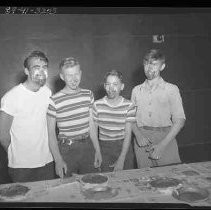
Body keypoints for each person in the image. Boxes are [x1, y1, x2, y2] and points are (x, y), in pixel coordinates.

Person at [0, 50, 55, 183]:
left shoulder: (47, 92)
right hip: (21, 168)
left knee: (48, 202)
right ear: (26, 71)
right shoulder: (11, 97)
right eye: (36, 67)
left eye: (44, 67)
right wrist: (17, 154)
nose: (41, 71)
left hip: (47, 163)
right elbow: (3, 136)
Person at [47, 57, 102, 178]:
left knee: (92, 184)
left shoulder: (88, 94)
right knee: (67, 189)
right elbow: (51, 134)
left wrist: (97, 150)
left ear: (81, 73)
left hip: (87, 147)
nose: (74, 79)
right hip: (66, 150)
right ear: (62, 77)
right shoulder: (54, 100)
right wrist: (58, 160)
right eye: (69, 75)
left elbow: (92, 125)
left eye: (76, 74)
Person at [131, 48, 186, 168]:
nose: (149, 68)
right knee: (145, 181)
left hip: (166, 137)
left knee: (171, 179)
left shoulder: (172, 89)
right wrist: (138, 135)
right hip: (142, 140)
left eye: (154, 64)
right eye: (146, 64)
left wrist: (162, 145)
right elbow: (130, 118)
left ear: (162, 66)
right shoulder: (136, 90)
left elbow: (180, 121)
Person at [92, 70, 136, 172]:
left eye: (115, 84)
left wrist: (122, 158)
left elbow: (128, 134)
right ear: (104, 86)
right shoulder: (97, 105)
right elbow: (94, 132)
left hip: (124, 147)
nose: (111, 88)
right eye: (108, 84)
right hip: (104, 147)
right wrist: (97, 152)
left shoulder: (129, 105)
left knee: (127, 180)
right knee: (106, 182)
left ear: (122, 86)